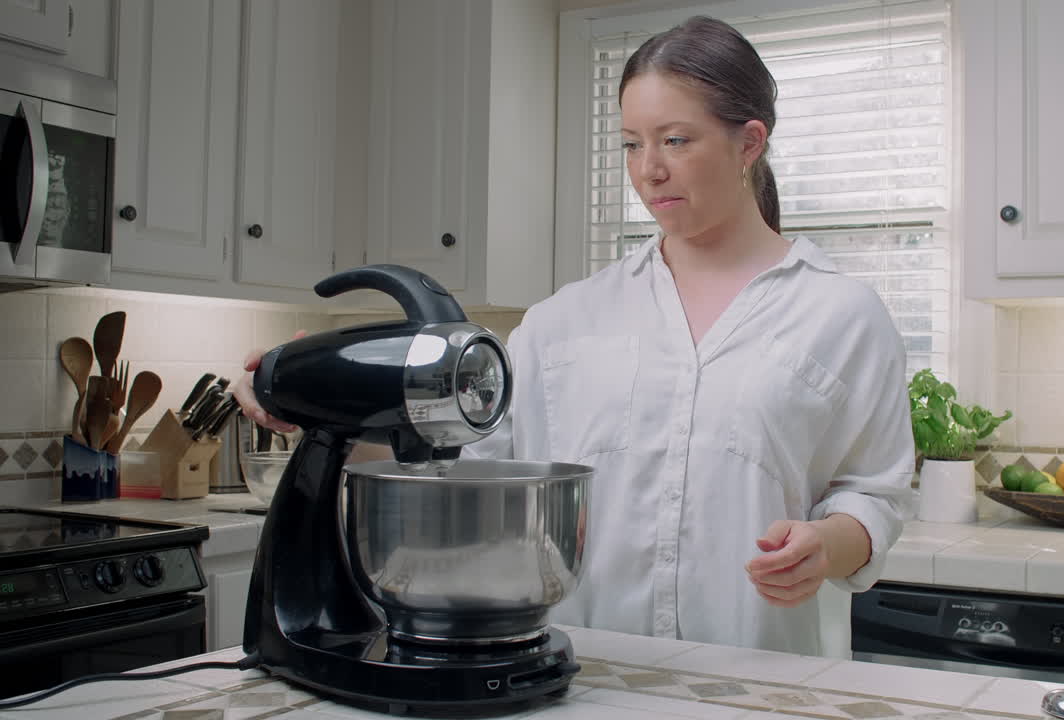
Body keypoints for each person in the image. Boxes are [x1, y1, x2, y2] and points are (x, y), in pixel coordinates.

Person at [235, 15, 913, 659]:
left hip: (757, 686)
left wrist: (825, 545)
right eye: (631, 143)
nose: (648, 169)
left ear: (749, 143)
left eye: (676, 140)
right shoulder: (567, 322)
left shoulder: (842, 316)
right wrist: (323, 413)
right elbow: (465, 460)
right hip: (590, 681)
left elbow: (874, 494)